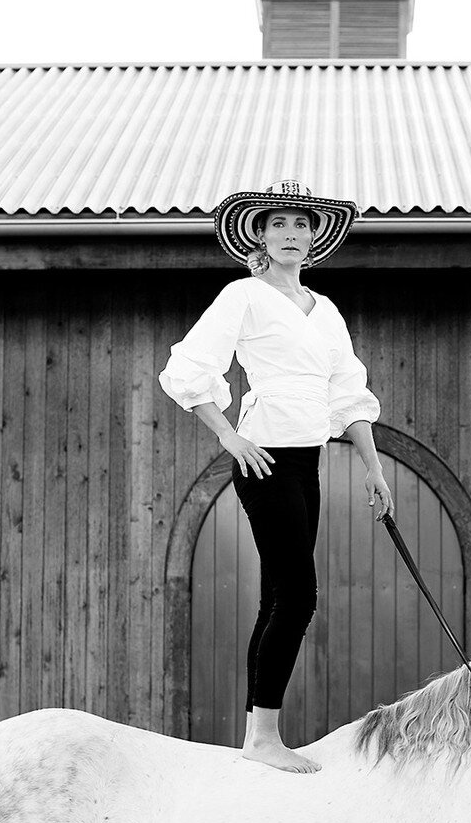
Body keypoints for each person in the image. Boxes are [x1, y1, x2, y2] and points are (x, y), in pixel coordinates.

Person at [159, 179, 393, 774]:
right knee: (298, 595)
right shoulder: (244, 294)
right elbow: (189, 368)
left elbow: (347, 392)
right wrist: (228, 434)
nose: (291, 234)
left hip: (307, 459)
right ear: (260, 235)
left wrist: (373, 466)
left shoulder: (326, 309)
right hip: (263, 458)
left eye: (301, 224)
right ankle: (264, 737)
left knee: (276, 595)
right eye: (279, 224)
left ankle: (257, 734)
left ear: (315, 237)